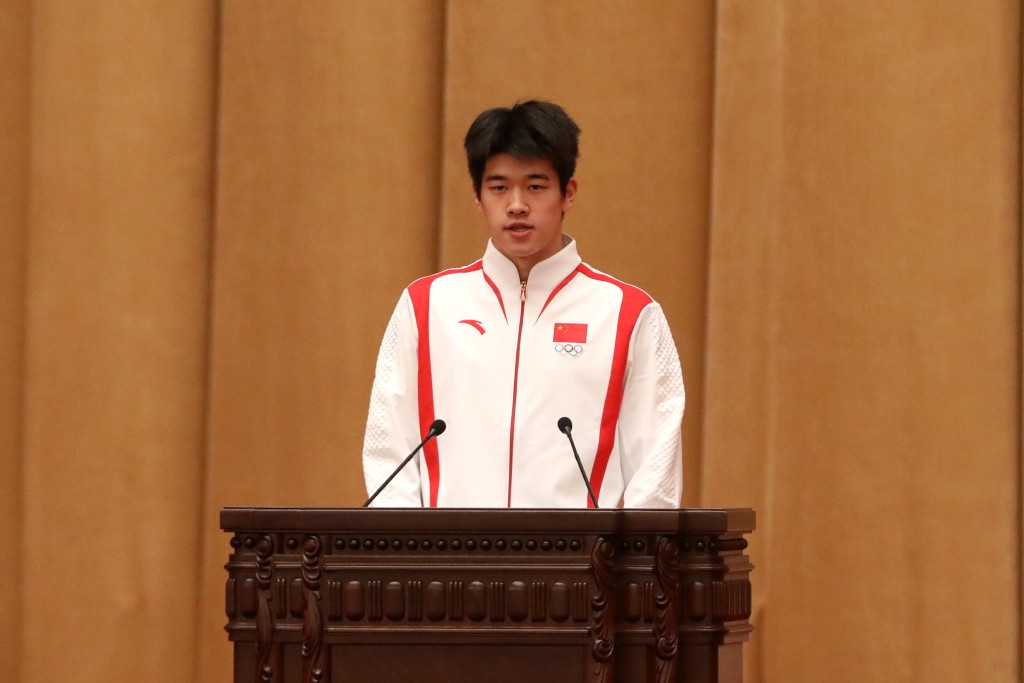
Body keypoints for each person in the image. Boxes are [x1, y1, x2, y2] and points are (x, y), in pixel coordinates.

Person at [362, 100, 684, 508]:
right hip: (449, 549)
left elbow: (655, 471)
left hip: (582, 549)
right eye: (499, 188)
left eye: (535, 186)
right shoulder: (426, 305)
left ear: (567, 193)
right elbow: (389, 447)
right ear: (477, 196)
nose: (516, 205)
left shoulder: (628, 313)